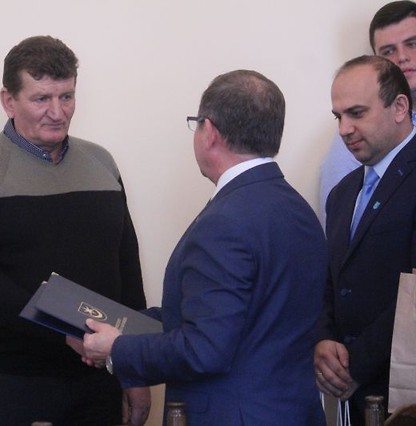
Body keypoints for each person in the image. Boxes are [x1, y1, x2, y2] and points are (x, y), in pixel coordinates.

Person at [78, 70, 328, 425]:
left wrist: (117, 349)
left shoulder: (223, 222)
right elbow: (240, 317)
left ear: (209, 132)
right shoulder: (299, 210)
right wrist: (126, 325)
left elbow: (204, 349)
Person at [0, 35, 151, 426]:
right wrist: (64, 333)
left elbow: (126, 266)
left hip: (98, 380)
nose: (57, 112)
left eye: (66, 96)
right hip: (7, 383)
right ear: (9, 101)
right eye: (41, 99)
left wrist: (134, 367)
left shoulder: (102, 163)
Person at [314, 55, 416, 424]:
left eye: (356, 113)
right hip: (353, 398)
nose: (345, 129)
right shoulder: (342, 193)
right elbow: (331, 279)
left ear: (399, 107)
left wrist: (355, 365)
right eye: (338, 116)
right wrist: (323, 339)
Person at [319, 1, 416, 227]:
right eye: (388, 51)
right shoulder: (354, 135)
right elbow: (340, 227)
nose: (402, 57)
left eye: (412, 44)